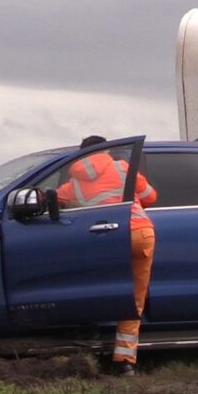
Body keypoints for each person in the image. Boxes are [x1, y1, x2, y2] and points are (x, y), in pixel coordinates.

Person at [55, 135, 157, 374]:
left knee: (96, 286)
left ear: (81, 155)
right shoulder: (122, 168)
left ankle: (89, 332)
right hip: (138, 232)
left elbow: (54, 201)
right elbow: (150, 197)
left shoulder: (72, 184)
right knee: (134, 299)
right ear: (107, 150)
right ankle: (124, 361)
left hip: (103, 238)